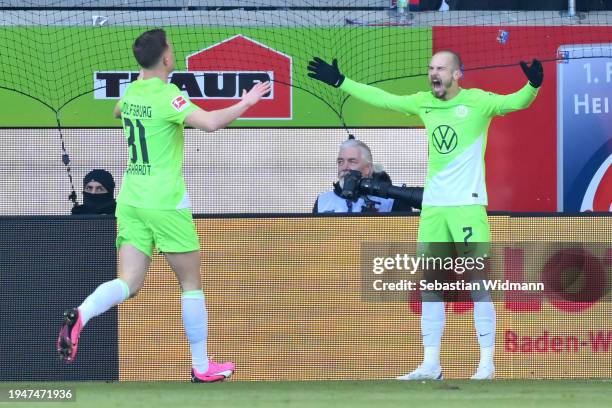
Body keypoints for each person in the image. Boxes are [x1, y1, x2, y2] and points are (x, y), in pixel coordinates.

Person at [308, 50, 542, 380]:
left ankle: (486, 364)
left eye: (441, 69)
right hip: (433, 208)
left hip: (467, 206)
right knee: (431, 284)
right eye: (431, 68)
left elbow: (515, 103)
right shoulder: (423, 102)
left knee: (478, 283)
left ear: (457, 74)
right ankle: (431, 364)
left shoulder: (478, 102)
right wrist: (341, 81)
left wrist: (532, 85)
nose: (434, 73)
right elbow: (384, 99)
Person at [57, 28, 271, 383]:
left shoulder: (132, 93)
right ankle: (201, 365)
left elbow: (116, 111)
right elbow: (212, 123)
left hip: (131, 200)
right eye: (171, 49)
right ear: (167, 58)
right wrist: (248, 101)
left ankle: (81, 313)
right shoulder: (168, 96)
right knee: (190, 283)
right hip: (165, 201)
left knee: (128, 281)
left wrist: (143, 79)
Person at [314, 138, 420, 213]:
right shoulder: (323, 200)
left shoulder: (393, 198)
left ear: (368, 169)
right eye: (340, 162)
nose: (344, 167)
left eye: (352, 161)